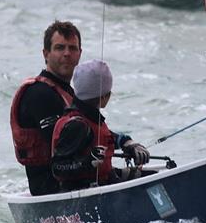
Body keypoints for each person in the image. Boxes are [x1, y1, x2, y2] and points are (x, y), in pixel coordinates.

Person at [50, 59, 150, 191]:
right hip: (83, 192)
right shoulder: (77, 126)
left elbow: (106, 136)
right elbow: (57, 168)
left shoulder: (89, 118)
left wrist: (127, 143)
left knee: (147, 175)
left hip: (106, 180)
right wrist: (88, 162)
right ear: (104, 98)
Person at [10, 20, 82, 195]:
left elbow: (91, 126)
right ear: (46, 53)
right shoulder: (39, 94)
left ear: (80, 54)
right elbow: (64, 143)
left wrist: (124, 141)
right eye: (59, 48)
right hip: (51, 192)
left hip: (77, 183)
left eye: (72, 48)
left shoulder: (69, 93)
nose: (66, 54)